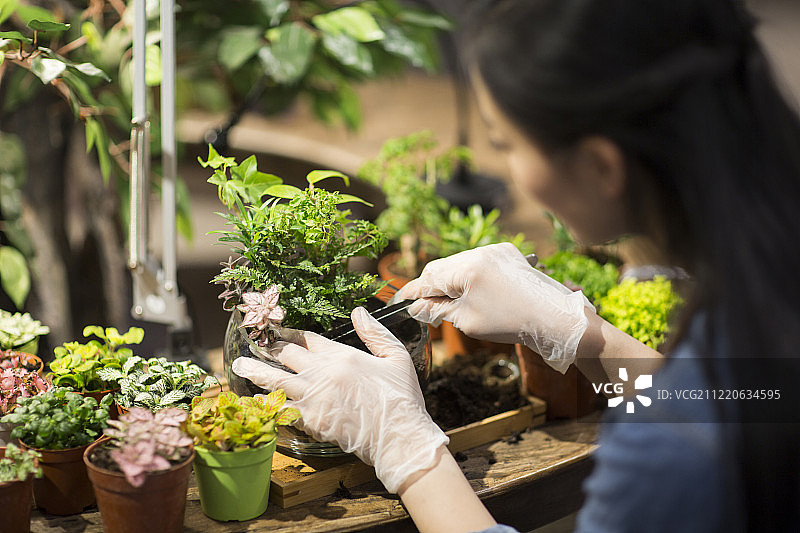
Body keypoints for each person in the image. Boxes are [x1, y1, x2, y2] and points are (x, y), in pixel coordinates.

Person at [232, 0, 800, 531]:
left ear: (601, 165)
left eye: (505, 143)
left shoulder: (662, 457)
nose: (510, 170)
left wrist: (405, 447)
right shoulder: (768, 294)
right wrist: (583, 335)